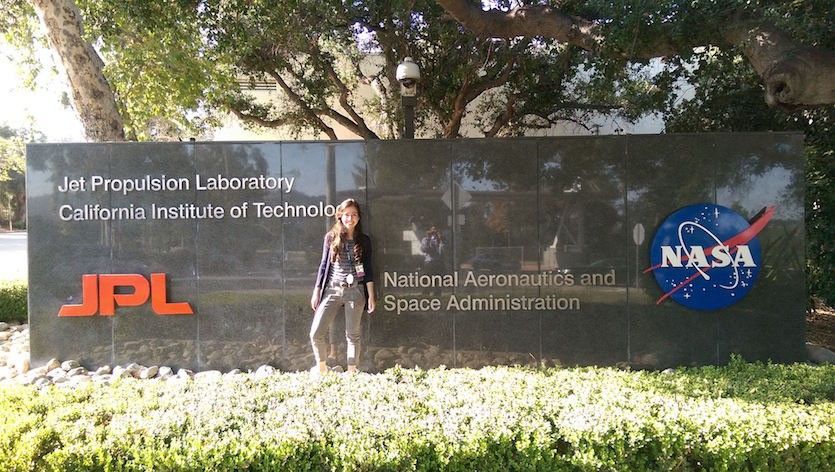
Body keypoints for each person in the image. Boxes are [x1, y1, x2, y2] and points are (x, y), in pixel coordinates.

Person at [310, 198, 376, 375]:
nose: (350, 218)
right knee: (316, 333)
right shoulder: (331, 237)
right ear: (340, 216)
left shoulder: (364, 240)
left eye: (354, 214)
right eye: (347, 214)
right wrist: (317, 292)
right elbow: (324, 266)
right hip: (332, 289)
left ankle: (352, 371)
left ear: (359, 218)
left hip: (356, 291)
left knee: (352, 335)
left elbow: (368, 269)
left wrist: (371, 296)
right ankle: (322, 368)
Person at [420, 225, 445, 296]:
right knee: (427, 281)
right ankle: (425, 295)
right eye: (433, 230)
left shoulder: (441, 240)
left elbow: (443, 251)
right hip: (429, 262)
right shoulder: (425, 239)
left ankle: (437, 295)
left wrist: (441, 240)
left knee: (438, 282)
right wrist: (428, 238)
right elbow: (424, 250)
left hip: (439, 262)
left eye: (436, 231)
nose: (435, 232)